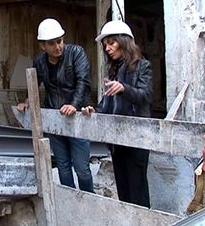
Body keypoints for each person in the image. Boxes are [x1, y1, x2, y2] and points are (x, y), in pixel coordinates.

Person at [18, 18, 94, 193]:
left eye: (59, 41)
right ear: (42, 46)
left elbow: (83, 81)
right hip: (54, 118)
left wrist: (74, 105)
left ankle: (88, 202)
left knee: (82, 168)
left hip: (77, 119)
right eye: (51, 44)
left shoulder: (76, 53)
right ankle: (69, 204)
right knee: (63, 167)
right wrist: (27, 101)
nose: (57, 47)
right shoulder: (39, 61)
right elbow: (34, 85)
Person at [82, 20, 152, 207]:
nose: (107, 48)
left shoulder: (142, 66)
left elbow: (145, 96)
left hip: (137, 139)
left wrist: (124, 88)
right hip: (116, 140)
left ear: (124, 42)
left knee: (137, 193)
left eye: (111, 43)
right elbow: (107, 103)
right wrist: (94, 110)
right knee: (124, 194)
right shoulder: (113, 70)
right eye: (105, 45)